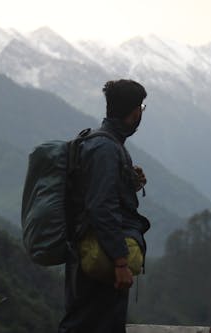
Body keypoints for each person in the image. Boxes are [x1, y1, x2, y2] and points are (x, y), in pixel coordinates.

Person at [58, 79, 151, 333]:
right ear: (134, 114)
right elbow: (101, 207)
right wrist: (120, 262)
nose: (141, 114)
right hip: (99, 256)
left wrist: (129, 183)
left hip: (95, 251)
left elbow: (101, 195)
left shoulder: (104, 143)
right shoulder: (106, 148)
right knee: (91, 324)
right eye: (141, 109)